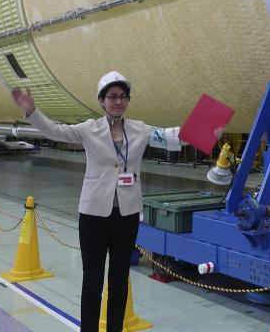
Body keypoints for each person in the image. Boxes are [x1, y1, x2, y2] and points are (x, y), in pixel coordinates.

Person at [11, 71, 195, 332]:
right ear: (101, 100)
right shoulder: (89, 129)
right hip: (94, 215)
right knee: (93, 279)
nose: (118, 101)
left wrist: (207, 130)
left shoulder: (140, 129)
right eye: (112, 96)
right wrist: (32, 112)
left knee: (120, 279)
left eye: (122, 96)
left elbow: (170, 136)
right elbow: (56, 131)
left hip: (127, 215)